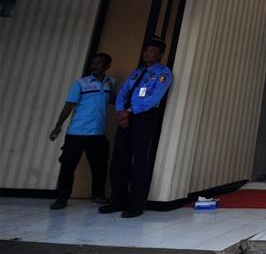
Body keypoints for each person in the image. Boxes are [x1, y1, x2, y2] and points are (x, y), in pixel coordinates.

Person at [99, 36, 173, 218]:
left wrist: (129, 111)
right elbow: (122, 93)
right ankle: (118, 200)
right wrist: (120, 112)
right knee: (119, 160)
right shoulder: (136, 73)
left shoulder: (163, 73)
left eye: (152, 51)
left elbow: (154, 98)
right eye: (146, 50)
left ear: (160, 54)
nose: (147, 53)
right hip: (125, 117)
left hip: (143, 118)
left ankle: (137, 204)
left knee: (139, 161)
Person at [48, 53, 116, 209]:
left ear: (107, 66)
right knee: (68, 166)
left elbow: (113, 100)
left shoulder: (111, 83)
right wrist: (58, 125)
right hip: (76, 133)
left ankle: (98, 194)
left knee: (99, 167)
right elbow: (69, 105)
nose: (94, 66)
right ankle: (62, 199)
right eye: (93, 63)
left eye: (99, 63)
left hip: (97, 134)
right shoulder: (81, 83)